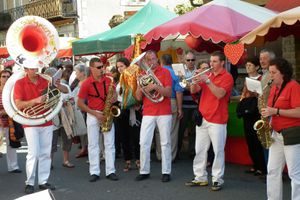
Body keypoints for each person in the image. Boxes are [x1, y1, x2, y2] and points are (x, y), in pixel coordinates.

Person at [14, 65, 68, 194]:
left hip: (46, 120)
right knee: (33, 153)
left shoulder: (46, 80)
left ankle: (43, 181)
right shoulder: (20, 83)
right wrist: (35, 101)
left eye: (36, 68)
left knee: (45, 153)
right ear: (26, 70)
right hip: (30, 121)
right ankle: (30, 182)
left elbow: (65, 90)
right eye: (32, 68)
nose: (35, 70)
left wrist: (59, 85)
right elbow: (18, 104)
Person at [186, 51, 234, 191]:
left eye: (214, 62)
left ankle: (217, 179)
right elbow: (194, 90)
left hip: (218, 119)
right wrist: (194, 81)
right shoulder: (209, 74)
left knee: (218, 150)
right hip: (203, 117)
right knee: (200, 149)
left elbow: (220, 94)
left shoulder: (227, 77)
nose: (211, 64)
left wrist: (207, 80)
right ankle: (200, 177)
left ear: (222, 63)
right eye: (211, 61)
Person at [261, 58, 300, 200]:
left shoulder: (293, 86)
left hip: (291, 134)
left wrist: (276, 111)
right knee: (272, 171)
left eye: (273, 72)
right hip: (276, 134)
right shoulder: (274, 88)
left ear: (283, 73)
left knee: (295, 174)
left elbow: (299, 112)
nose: (270, 75)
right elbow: (271, 109)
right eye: (270, 72)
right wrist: (268, 120)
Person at [77, 57, 118, 182]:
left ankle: (111, 171)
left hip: (107, 114)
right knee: (93, 144)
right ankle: (94, 171)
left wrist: (114, 98)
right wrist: (94, 113)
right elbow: (80, 103)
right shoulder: (86, 83)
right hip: (93, 114)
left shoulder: (109, 80)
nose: (102, 69)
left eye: (102, 66)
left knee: (110, 144)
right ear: (92, 68)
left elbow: (115, 95)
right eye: (99, 67)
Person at [135, 50, 172, 182]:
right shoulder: (142, 74)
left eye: (153, 59)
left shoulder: (165, 72)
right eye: (148, 60)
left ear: (158, 59)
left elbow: (168, 92)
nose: (151, 62)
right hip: (148, 112)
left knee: (165, 143)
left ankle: (166, 171)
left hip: (164, 112)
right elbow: (138, 98)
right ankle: (144, 171)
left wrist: (154, 86)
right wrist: (140, 87)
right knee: (144, 142)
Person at [239, 57, 266, 176]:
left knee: (257, 140)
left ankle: (261, 166)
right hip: (247, 111)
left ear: (257, 67)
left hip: (256, 112)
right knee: (249, 140)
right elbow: (244, 94)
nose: (248, 67)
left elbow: (263, 95)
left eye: (250, 65)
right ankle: (255, 165)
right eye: (246, 65)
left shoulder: (261, 78)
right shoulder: (247, 80)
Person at [155, 54, 183, 162]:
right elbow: (179, 92)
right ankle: (170, 157)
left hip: (158, 102)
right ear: (171, 62)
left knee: (159, 131)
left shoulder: (158, 73)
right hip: (172, 101)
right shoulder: (176, 73)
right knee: (172, 131)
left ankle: (159, 155)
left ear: (161, 62)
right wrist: (180, 108)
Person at [115, 57, 141, 171]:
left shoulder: (133, 77)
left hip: (133, 109)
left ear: (127, 66)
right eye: (118, 67)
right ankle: (128, 160)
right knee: (124, 136)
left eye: (122, 66)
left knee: (136, 136)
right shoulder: (118, 78)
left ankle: (138, 160)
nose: (120, 69)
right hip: (121, 109)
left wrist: (137, 103)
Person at [0, 69, 22, 173]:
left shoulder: (12, 92)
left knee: (11, 145)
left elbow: (16, 106)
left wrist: (8, 111)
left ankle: (13, 167)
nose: (6, 79)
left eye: (8, 77)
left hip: (10, 122)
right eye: (3, 76)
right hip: (1, 122)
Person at [178, 51, 198, 158]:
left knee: (194, 131)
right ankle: (177, 152)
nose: (190, 62)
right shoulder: (181, 72)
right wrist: (192, 87)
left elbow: (187, 85)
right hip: (184, 106)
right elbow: (181, 85)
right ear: (184, 61)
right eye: (188, 60)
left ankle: (192, 151)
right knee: (181, 129)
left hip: (195, 105)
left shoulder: (198, 71)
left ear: (195, 60)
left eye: (192, 60)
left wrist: (188, 85)